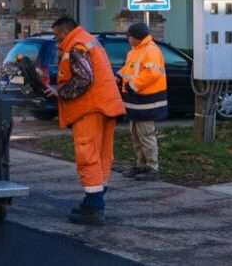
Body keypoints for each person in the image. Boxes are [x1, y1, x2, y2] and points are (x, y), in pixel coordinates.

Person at [44, 17, 124, 226]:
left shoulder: (77, 46)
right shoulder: (88, 40)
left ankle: (94, 206)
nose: (56, 40)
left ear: (64, 31)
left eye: (56, 35)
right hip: (106, 105)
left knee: (87, 153)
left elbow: (83, 79)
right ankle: (94, 200)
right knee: (102, 154)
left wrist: (59, 91)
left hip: (90, 109)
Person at [117, 22, 168, 182]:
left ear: (137, 37)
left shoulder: (151, 50)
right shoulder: (136, 50)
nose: (128, 38)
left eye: (129, 36)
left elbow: (152, 73)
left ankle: (152, 168)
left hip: (147, 100)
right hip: (136, 100)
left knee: (145, 135)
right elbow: (129, 69)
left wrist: (132, 86)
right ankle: (141, 165)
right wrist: (119, 76)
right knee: (136, 135)